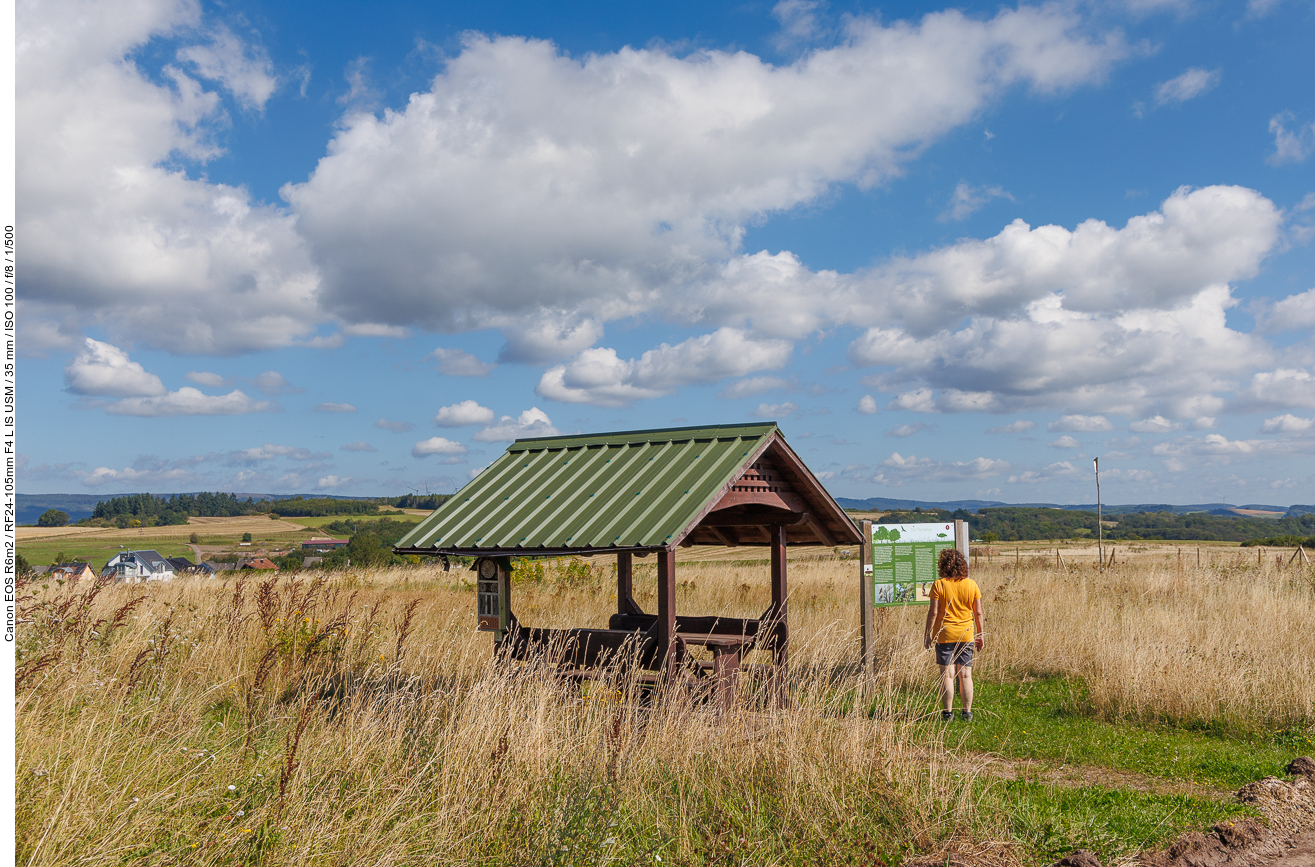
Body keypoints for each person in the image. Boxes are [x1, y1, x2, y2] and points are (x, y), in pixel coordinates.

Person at [923, 548, 984, 721]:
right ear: (963, 565)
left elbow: (933, 613)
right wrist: (980, 635)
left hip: (945, 635)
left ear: (942, 565)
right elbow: (978, 613)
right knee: (966, 675)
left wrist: (928, 633)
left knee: (947, 675)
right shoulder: (971, 584)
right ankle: (967, 712)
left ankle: (948, 713)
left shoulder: (939, 584)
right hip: (966, 634)